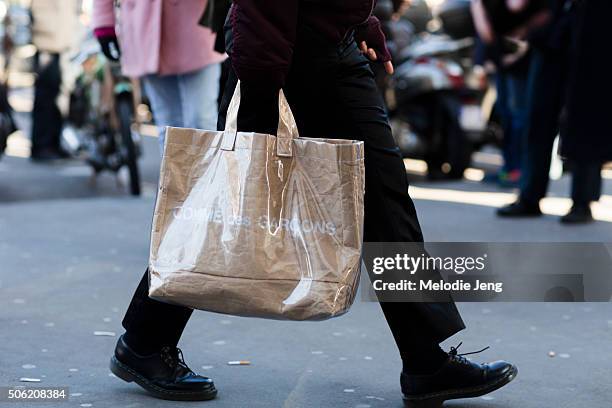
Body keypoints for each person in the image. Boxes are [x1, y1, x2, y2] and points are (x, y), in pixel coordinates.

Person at [107, 1, 518, 405]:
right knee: (228, 202)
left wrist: (360, 20)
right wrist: (260, 102)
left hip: (322, 50)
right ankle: (146, 339)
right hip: (279, 58)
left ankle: (425, 358)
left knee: (383, 198)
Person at [496, 0, 602, 223]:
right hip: (551, 35)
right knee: (538, 116)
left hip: (592, 34)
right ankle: (529, 195)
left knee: (586, 120)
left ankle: (582, 202)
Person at [92, 0, 225, 154]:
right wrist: (104, 22)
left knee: (201, 121)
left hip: (198, 26)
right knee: (169, 128)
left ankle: (205, 177)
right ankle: (175, 178)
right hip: (147, 28)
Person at [29, 0, 78, 161]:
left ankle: (54, 144)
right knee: (46, 96)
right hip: (48, 43)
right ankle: (42, 146)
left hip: (62, 44)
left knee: (59, 97)